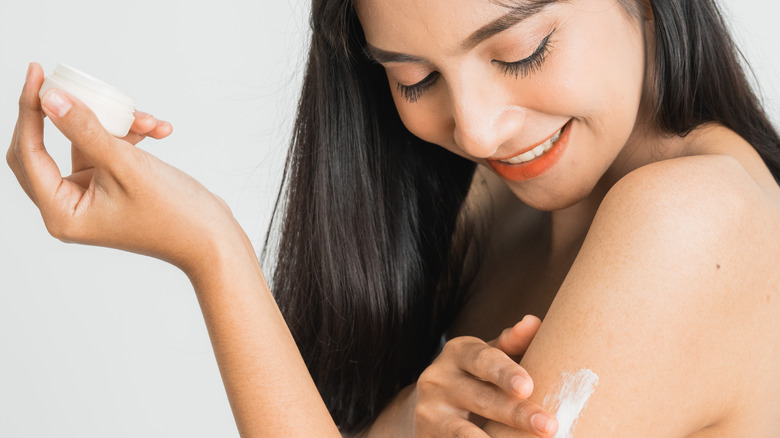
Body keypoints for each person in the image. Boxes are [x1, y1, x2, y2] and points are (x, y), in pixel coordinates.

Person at [7, 0, 780, 436]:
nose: (477, 131)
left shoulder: (692, 221)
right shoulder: (495, 204)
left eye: (521, 52)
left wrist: (212, 251)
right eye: (415, 79)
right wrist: (412, 416)